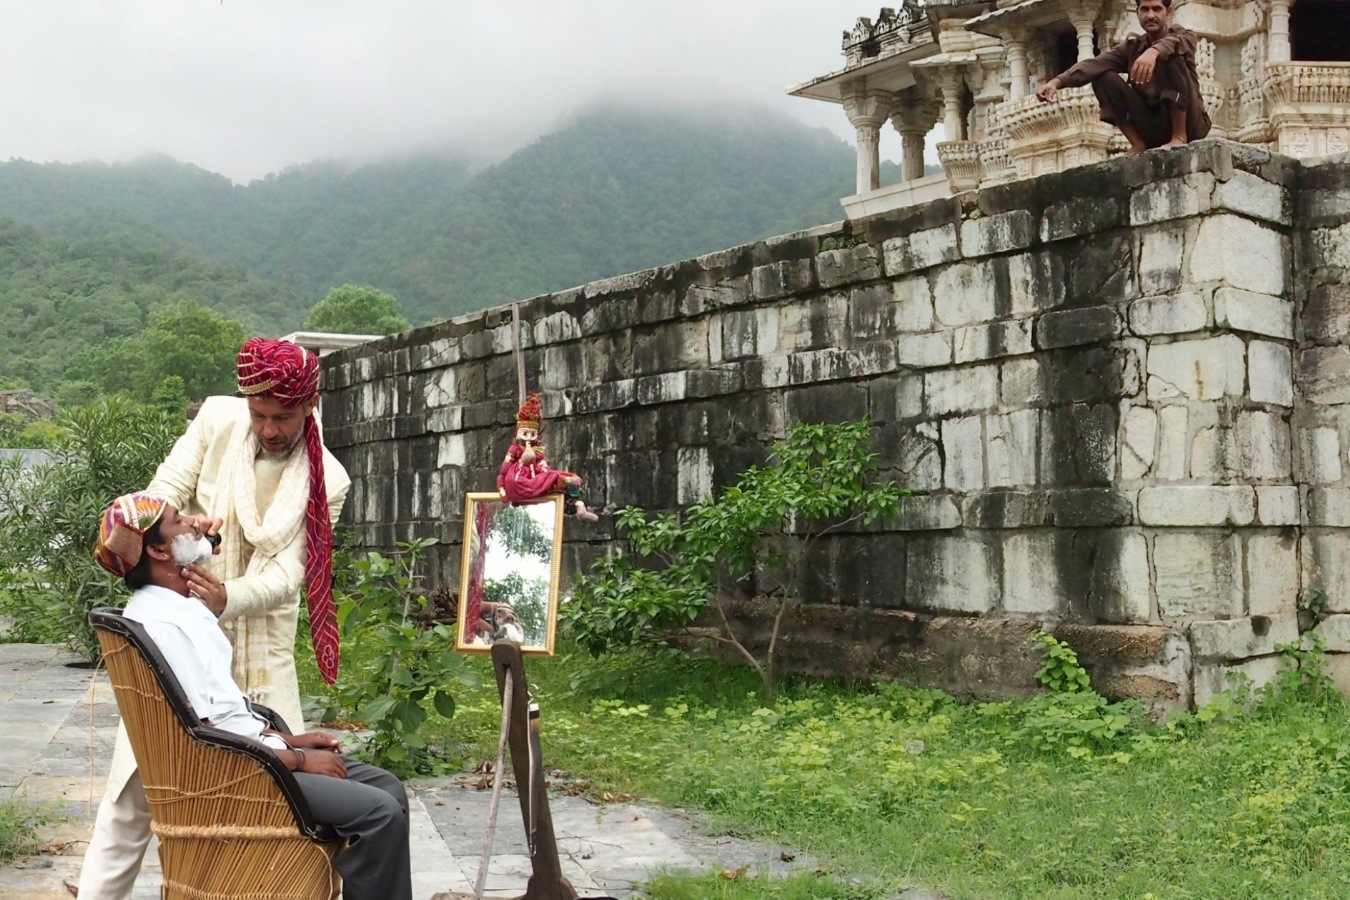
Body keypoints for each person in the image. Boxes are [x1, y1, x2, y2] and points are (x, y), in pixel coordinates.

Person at [78, 338, 352, 900]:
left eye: (283, 417)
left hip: (259, 645)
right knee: (135, 797)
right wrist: (164, 530)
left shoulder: (331, 478)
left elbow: (287, 574)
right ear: (246, 400)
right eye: (259, 414)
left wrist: (226, 597)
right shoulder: (216, 420)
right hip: (175, 636)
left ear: (309, 408)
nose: (270, 428)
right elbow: (159, 496)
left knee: (283, 813)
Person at [90, 492, 411, 900]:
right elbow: (201, 733)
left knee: (389, 787)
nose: (193, 522)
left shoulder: (178, 603)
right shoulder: (163, 623)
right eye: (177, 520)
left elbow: (223, 710)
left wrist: (290, 739)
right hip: (236, 775)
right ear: (157, 549)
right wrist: (295, 759)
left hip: (255, 753)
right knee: (379, 814)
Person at [1035, 0, 1210, 152]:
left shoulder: (1183, 36)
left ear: (1168, 12)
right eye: (1145, 9)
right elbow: (1095, 64)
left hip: (1190, 125)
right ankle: (1138, 143)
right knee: (1101, 76)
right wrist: (1057, 82)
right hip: (1154, 126)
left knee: (1171, 57)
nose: (1150, 15)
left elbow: (1177, 43)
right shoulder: (1131, 48)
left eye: (1157, 9)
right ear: (1137, 12)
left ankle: (1179, 137)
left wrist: (1154, 52)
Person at [497, 392, 599, 522]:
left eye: (532, 434)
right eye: (525, 433)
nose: (528, 438)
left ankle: (580, 508)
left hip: (537, 480)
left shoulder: (537, 451)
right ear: (518, 433)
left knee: (569, 480)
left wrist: (551, 477)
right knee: (555, 480)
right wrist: (502, 492)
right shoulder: (514, 449)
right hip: (519, 482)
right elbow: (503, 473)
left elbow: (545, 468)